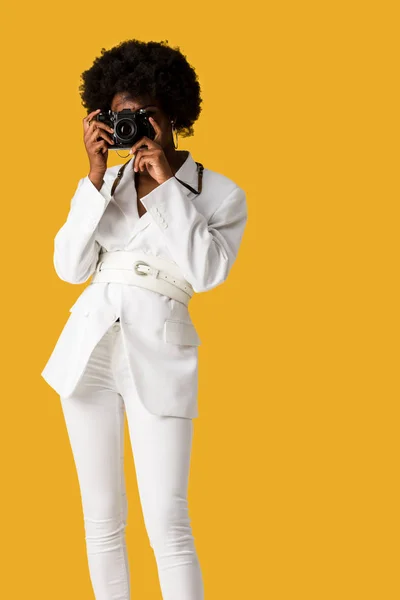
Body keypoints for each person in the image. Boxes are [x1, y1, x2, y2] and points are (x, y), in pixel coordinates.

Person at [41, 38, 248, 600]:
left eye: (144, 114)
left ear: (173, 113)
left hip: (160, 355)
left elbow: (206, 272)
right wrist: (93, 172)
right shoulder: (102, 185)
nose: (133, 125)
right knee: (102, 522)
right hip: (89, 355)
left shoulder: (220, 193)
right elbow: (68, 268)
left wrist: (166, 186)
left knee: (168, 522)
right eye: (120, 115)